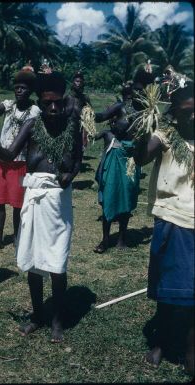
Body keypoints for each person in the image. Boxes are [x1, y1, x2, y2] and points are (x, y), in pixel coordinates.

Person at [0, 69, 83, 343]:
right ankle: (38, 314)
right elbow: (10, 155)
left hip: (57, 202)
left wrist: (70, 176)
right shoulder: (32, 125)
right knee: (33, 262)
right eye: (46, 103)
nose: (52, 108)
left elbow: (78, 158)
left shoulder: (72, 126)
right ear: (40, 103)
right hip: (33, 199)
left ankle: (57, 319)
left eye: (56, 102)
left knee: (56, 262)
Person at [134, 81, 194, 376]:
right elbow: (141, 156)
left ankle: (188, 349)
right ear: (177, 113)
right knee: (167, 289)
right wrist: (144, 128)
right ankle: (160, 342)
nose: (193, 118)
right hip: (172, 221)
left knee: (192, 294)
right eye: (187, 112)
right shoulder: (166, 136)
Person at [0, 64, 40, 252]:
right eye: (16, 87)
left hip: (20, 162)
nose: (19, 90)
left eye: (23, 88)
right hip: (1, 161)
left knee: (17, 203)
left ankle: (17, 237)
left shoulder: (34, 112)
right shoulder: (8, 105)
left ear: (30, 90)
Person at [93, 81, 141, 253]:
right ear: (130, 91)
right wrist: (86, 113)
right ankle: (105, 240)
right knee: (110, 195)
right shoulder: (120, 108)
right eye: (136, 89)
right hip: (115, 155)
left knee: (127, 197)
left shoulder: (147, 113)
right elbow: (101, 116)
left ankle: (122, 240)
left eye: (142, 90)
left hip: (132, 159)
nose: (139, 92)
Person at [64, 71, 92, 147]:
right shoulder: (66, 97)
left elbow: (88, 120)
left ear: (83, 83)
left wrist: (85, 137)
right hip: (64, 131)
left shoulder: (85, 99)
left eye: (80, 81)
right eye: (77, 81)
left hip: (78, 132)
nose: (78, 83)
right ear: (73, 82)